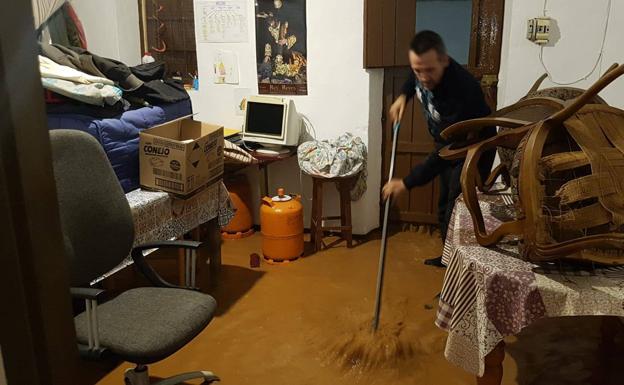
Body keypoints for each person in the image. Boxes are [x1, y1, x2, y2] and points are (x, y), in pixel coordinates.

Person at [382, 30, 496, 267]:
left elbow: (443, 155)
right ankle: (448, 261)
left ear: (444, 60)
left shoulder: (461, 92)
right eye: (418, 70)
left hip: (471, 149)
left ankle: (461, 273)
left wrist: (406, 183)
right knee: (444, 207)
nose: (423, 77)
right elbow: (411, 76)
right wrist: (403, 96)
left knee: (459, 212)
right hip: (448, 144)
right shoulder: (423, 67)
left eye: (429, 70)